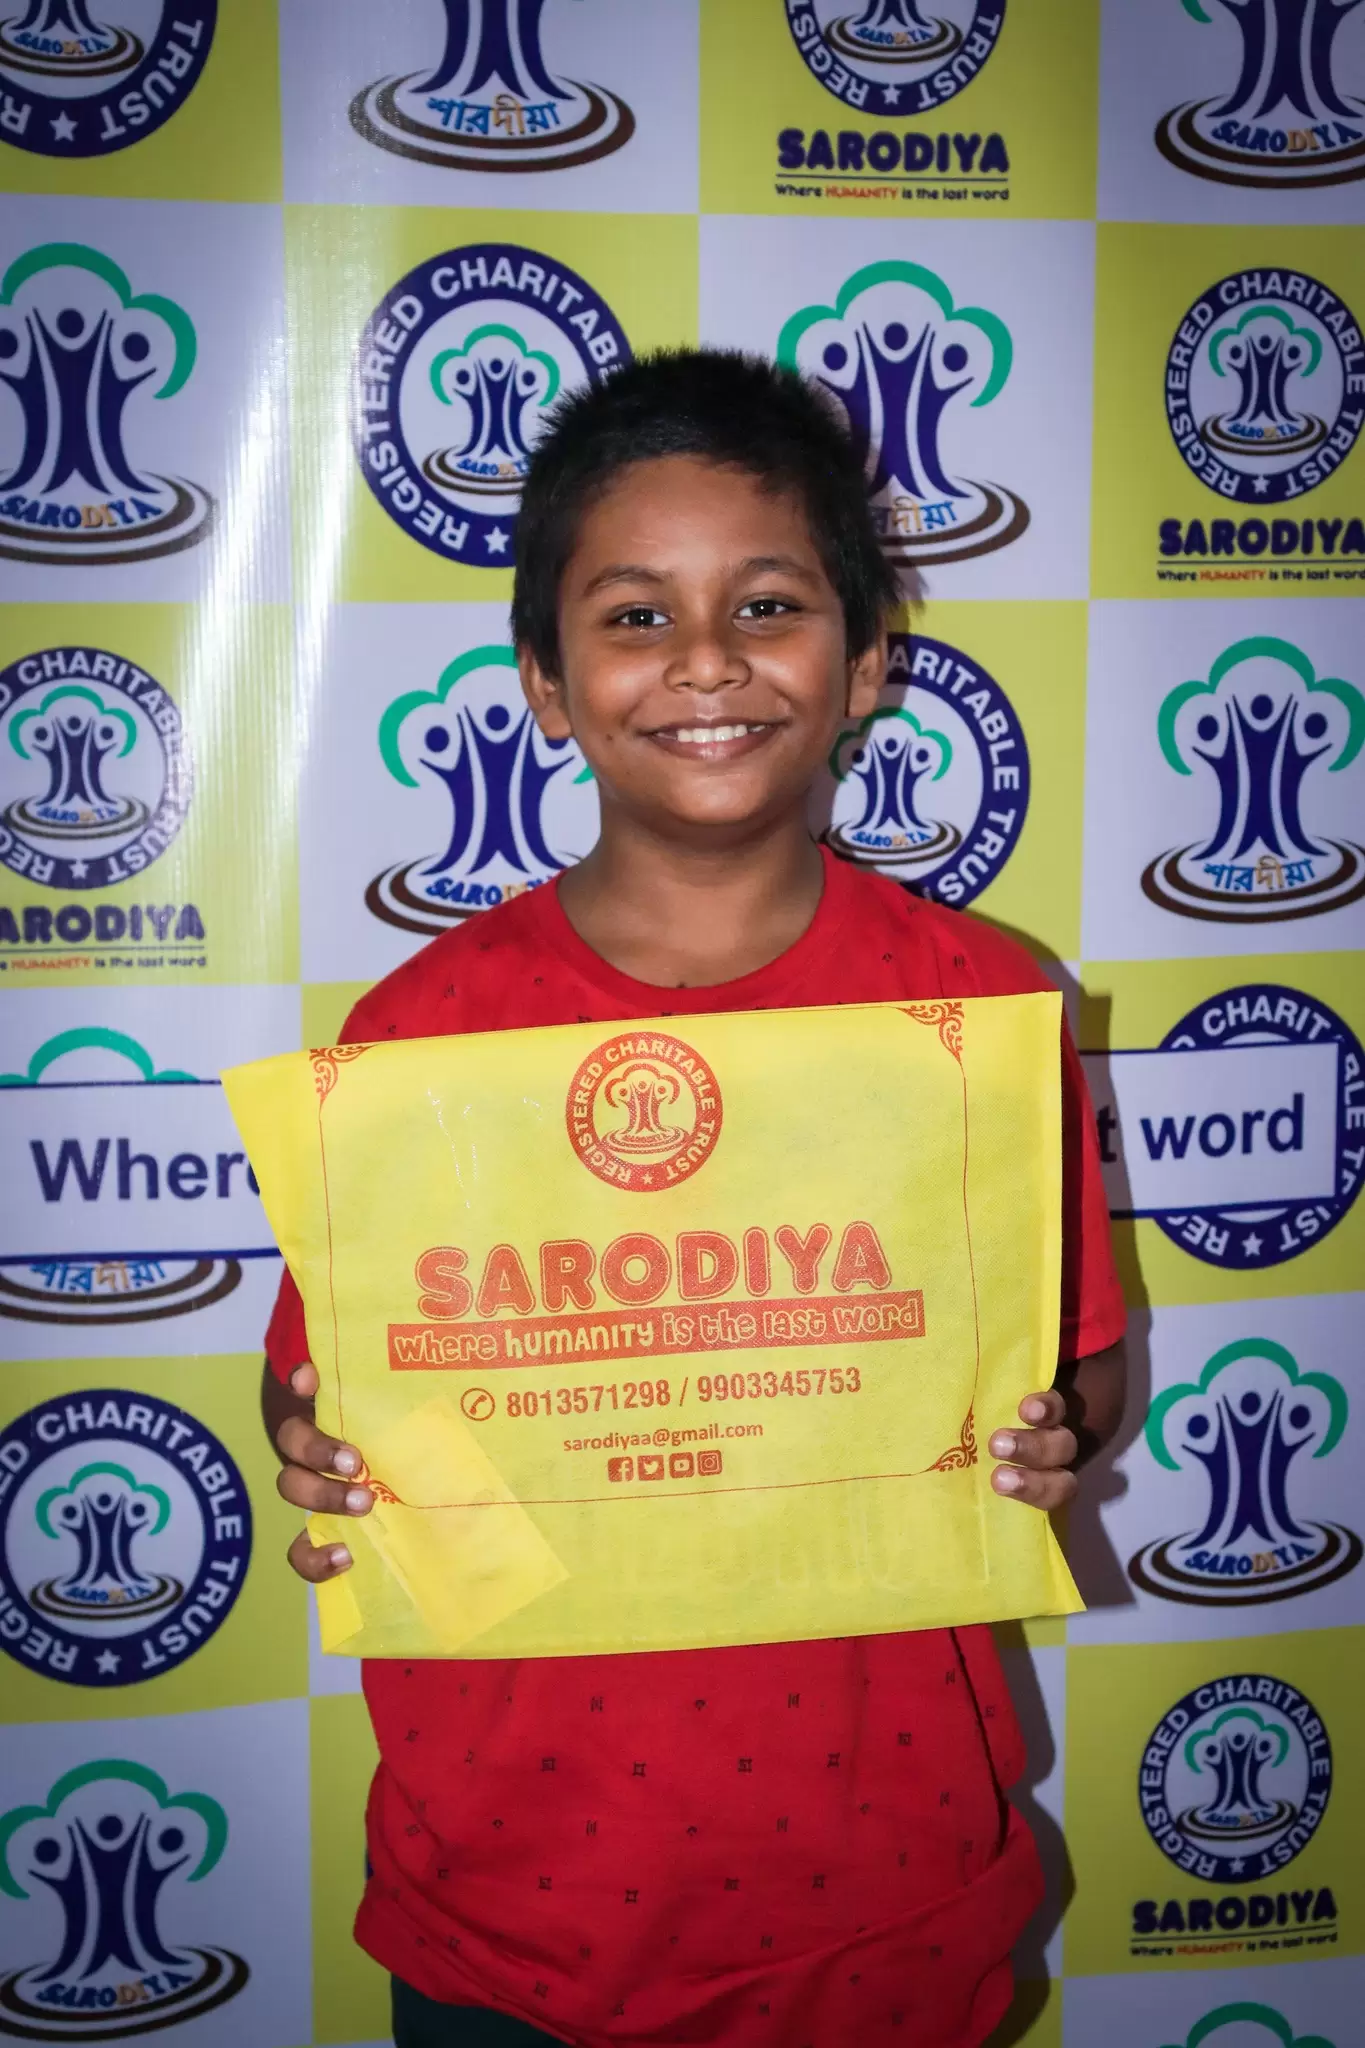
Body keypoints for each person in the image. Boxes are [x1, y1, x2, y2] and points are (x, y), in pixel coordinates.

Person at [264, 348, 1127, 2048]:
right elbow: (316, 1383)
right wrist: (324, 1449)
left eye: (770, 604)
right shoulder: (422, 1033)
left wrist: (1058, 1435)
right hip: (508, 1911)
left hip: (890, 1896)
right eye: (636, 615)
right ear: (544, 679)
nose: (708, 661)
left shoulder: (973, 1005)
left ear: (866, 660)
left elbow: (1084, 1360)